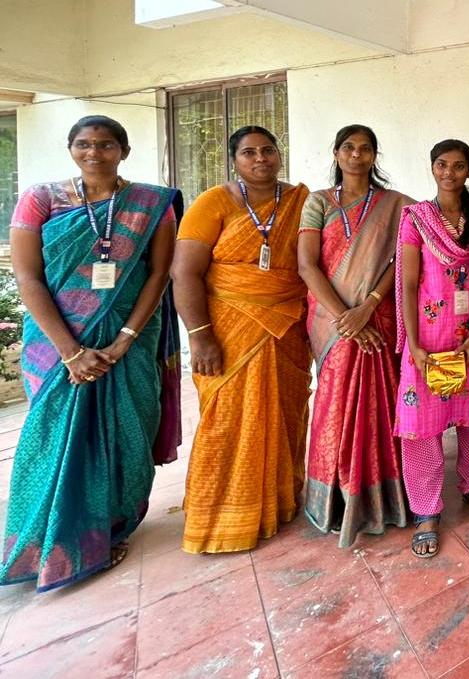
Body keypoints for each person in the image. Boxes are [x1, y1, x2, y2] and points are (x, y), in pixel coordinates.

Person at [1, 115, 180, 591]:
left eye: (105, 144)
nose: (94, 153)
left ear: (124, 150)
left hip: (129, 339)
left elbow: (159, 273)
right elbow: (28, 277)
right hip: (56, 341)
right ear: (71, 149)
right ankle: (43, 541)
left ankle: (109, 529)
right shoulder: (42, 199)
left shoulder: (151, 203)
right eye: (83, 144)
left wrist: (124, 339)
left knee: (128, 431)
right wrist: (70, 352)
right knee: (51, 438)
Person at [172, 125, 312, 554]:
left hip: (287, 326)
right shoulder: (213, 202)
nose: (260, 159)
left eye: (268, 150)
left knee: (283, 415)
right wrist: (200, 336)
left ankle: (277, 503)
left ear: (279, 154)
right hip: (228, 329)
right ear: (234, 160)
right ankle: (219, 517)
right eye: (249, 152)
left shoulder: (301, 201)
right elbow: (184, 272)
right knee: (227, 419)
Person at [297, 124, 413, 548]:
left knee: (383, 400)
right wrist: (346, 316)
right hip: (331, 323)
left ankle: (390, 498)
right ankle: (336, 502)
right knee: (335, 404)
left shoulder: (397, 205)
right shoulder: (317, 202)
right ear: (336, 153)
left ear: (374, 155)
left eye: (365, 149)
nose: (357, 155)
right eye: (348, 147)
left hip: (377, 316)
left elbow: (401, 260)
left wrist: (367, 308)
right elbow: (307, 266)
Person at [395, 139, 469, 559]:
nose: (449, 173)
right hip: (428, 339)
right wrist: (414, 344)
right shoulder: (415, 219)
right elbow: (407, 283)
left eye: (458, 166)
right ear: (432, 167)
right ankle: (426, 511)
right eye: (442, 165)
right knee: (422, 428)